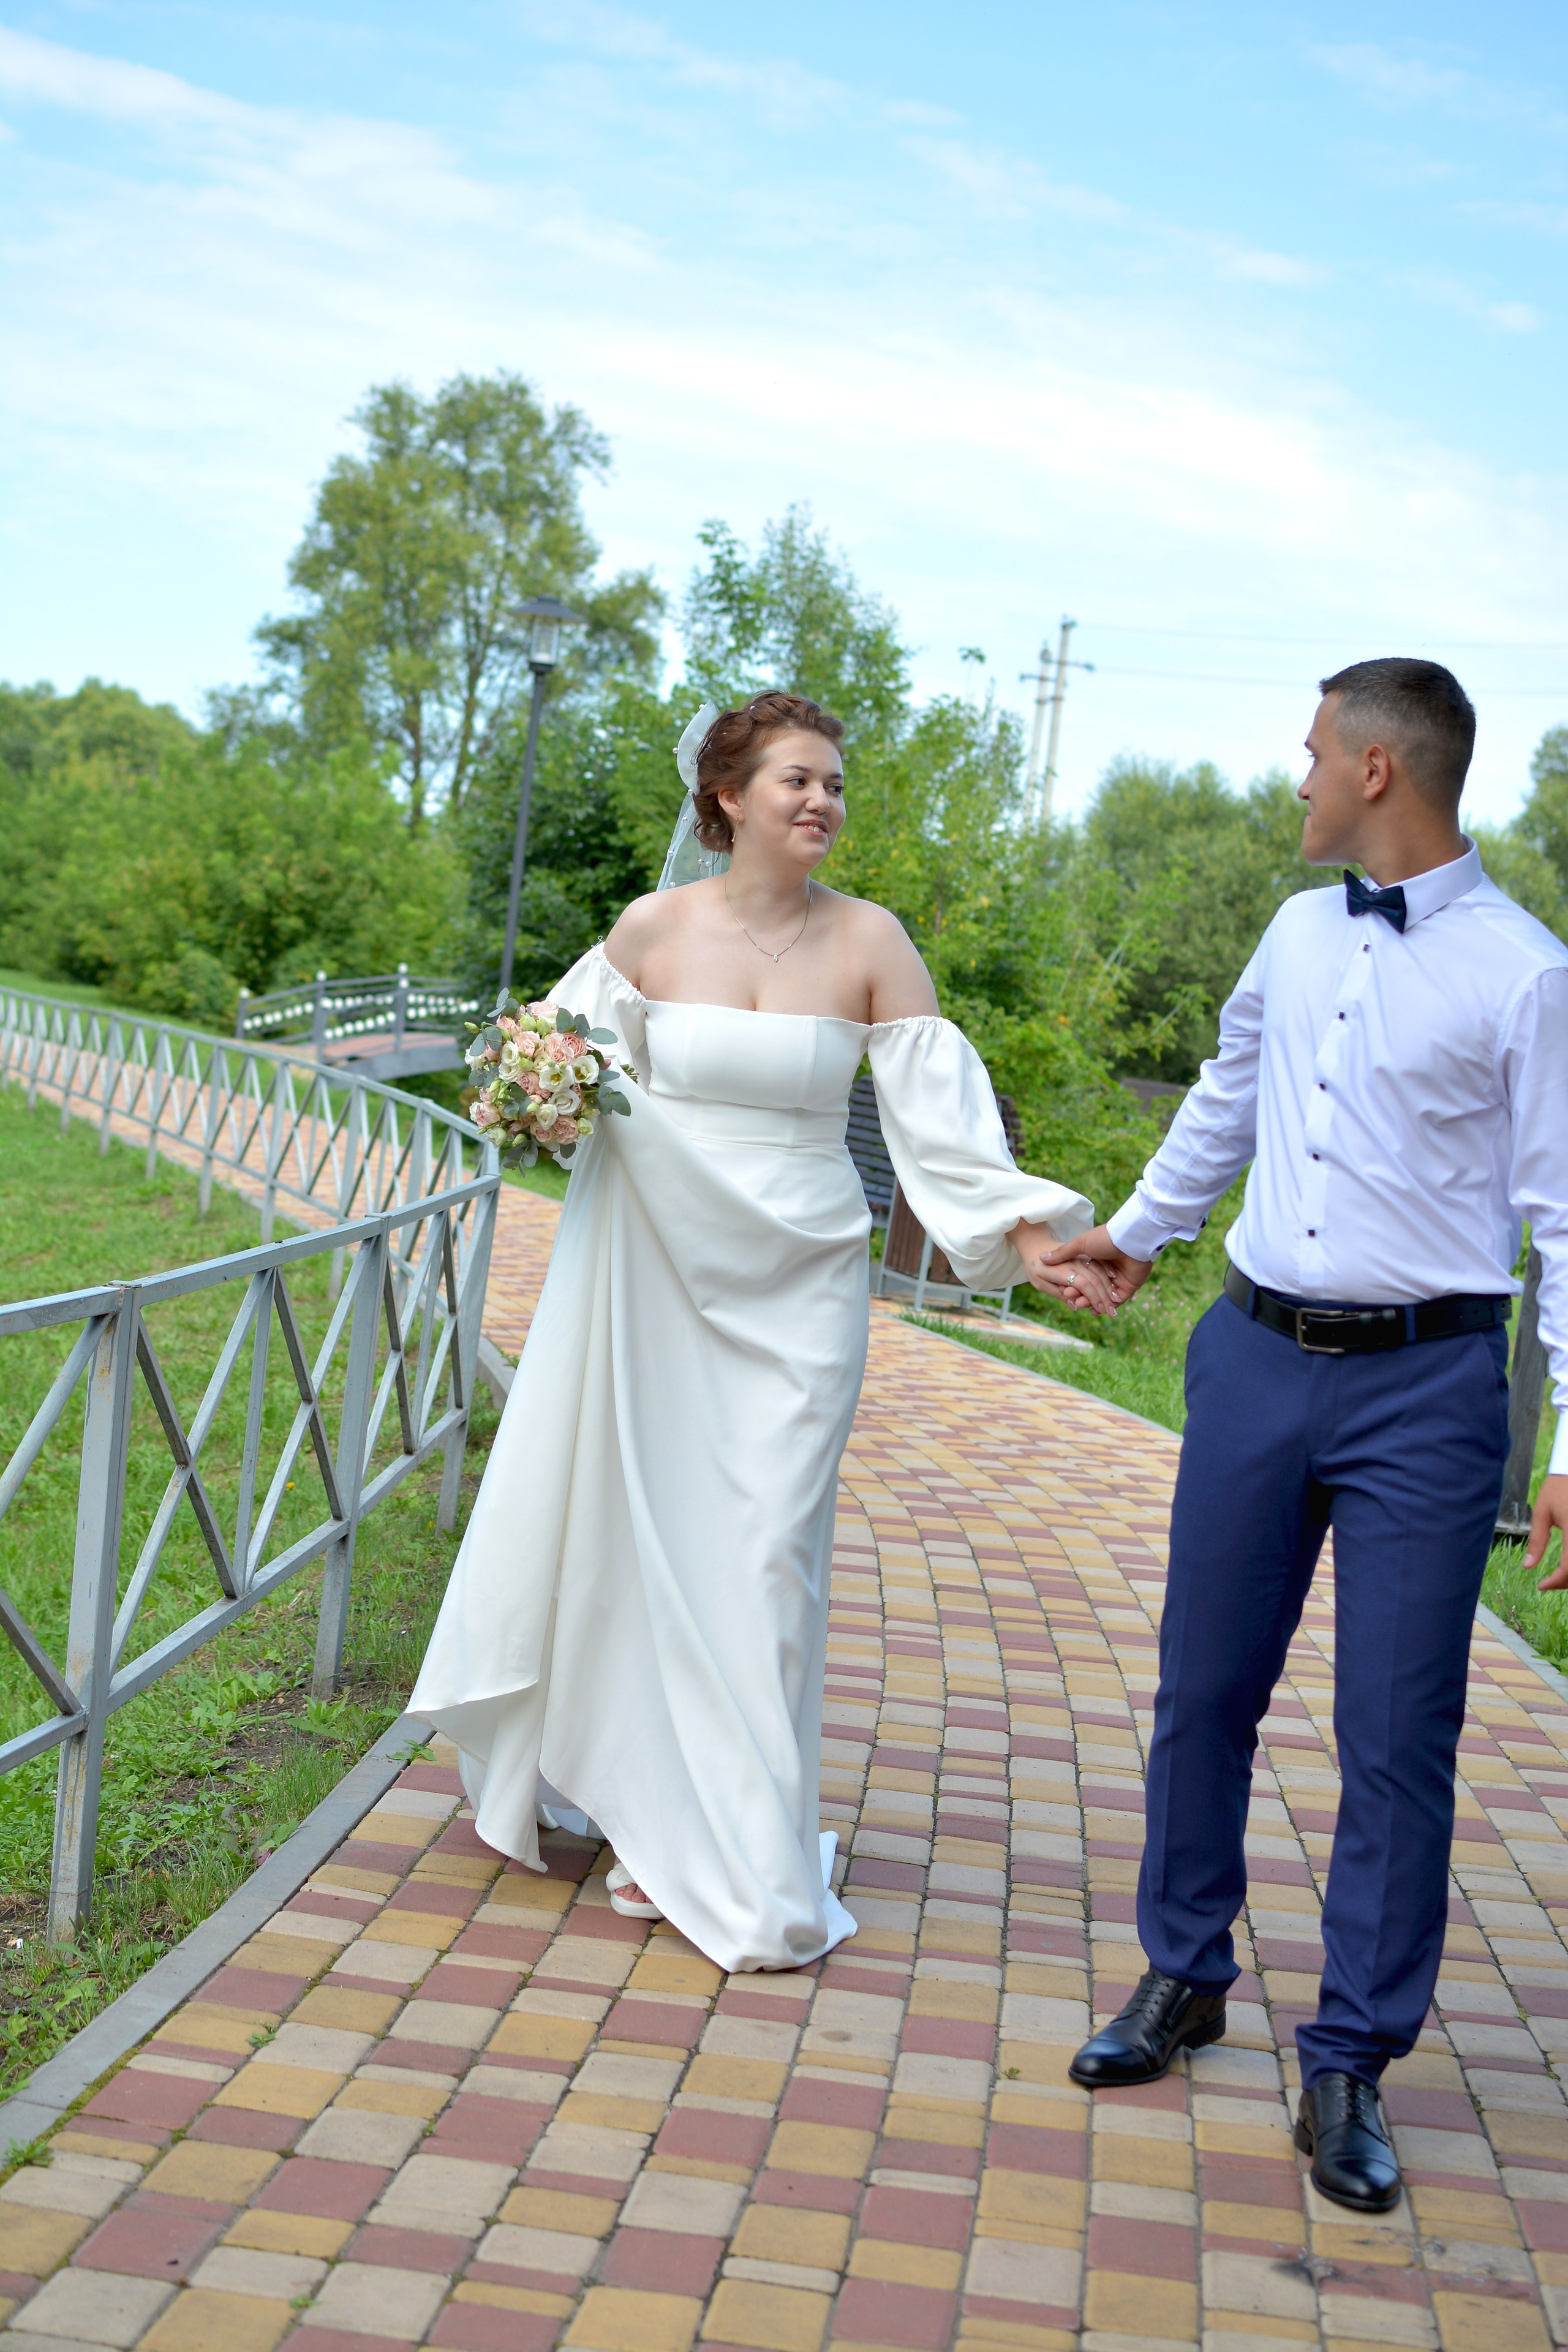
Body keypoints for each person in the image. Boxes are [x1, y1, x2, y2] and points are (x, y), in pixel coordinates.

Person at [410, 690, 1109, 1971]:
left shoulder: (871, 945)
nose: (821, 802)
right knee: (642, 1536)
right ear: (726, 797)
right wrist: (541, 1105)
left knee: (763, 1557)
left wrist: (1031, 1240)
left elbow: (940, 1134)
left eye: (833, 783)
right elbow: (545, 1071)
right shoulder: (650, 930)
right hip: (654, 1268)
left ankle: (727, 1837)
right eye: (795, 780)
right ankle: (640, 1811)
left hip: (797, 1284)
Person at [1046, 658, 1568, 2213]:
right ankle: (1182, 1973)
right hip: (1254, 1358)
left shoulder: (1526, 974)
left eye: (1309, 754)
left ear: (1377, 774)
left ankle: (1347, 2059)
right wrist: (1137, 1237)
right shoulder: (1291, 929)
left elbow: (1564, 1217)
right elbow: (1225, 1097)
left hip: (1426, 1388)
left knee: (1393, 1741)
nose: (1292, 777)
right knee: (1200, 1687)